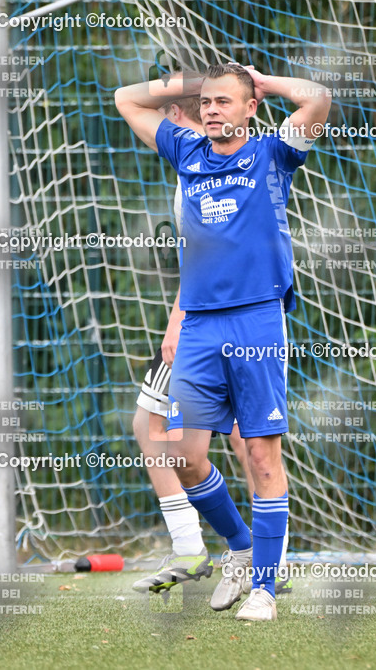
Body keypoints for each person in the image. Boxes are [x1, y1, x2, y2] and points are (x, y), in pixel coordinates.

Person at [115, 62, 330, 620]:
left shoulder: (272, 155)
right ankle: (237, 546)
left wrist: (265, 82)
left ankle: (264, 587)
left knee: (260, 454)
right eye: (206, 103)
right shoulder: (187, 152)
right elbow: (126, 99)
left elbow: (318, 100)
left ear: (250, 108)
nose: (211, 110)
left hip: (256, 319)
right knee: (181, 452)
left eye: (224, 102)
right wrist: (193, 83)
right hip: (200, 325)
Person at [130, 97, 256, 594]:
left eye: (168, 117)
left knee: (248, 439)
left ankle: (260, 559)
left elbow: (217, 252)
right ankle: (192, 547)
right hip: (201, 312)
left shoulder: (217, 165)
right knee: (150, 424)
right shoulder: (193, 164)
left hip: (229, 317)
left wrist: (179, 317)